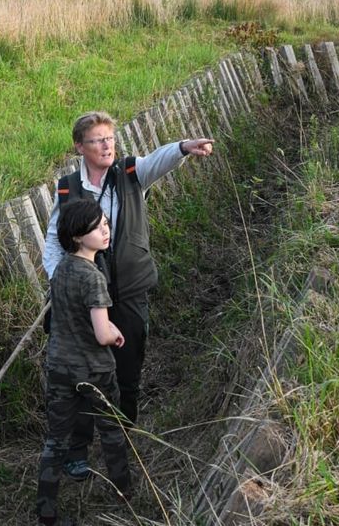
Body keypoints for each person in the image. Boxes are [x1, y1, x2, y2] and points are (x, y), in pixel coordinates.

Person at [41, 110, 214, 478]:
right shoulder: (68, 188)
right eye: (97, 140)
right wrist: (64, 285)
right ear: (79, 147)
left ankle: (122, 436)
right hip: (86, 299)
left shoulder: (131, 174)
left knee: (128, 366)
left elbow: (158, 160)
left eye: (110, 139)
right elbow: (54, 244)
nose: (106, 145)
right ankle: (78, 451)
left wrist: (184, 147)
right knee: (84, 371)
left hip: (131, 290)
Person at [37, 199, 130, 525]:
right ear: (77, 235)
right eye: (97, 226)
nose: (106, 229)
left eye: (105, 222)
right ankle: (126, 494)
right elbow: (102, 332)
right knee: (112, 432)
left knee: (56, 441)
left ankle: (45, 511)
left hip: (60, 366)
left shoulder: (62, 268)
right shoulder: (93, 277)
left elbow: (66, 317)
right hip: (94, 369)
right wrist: (114, 333)